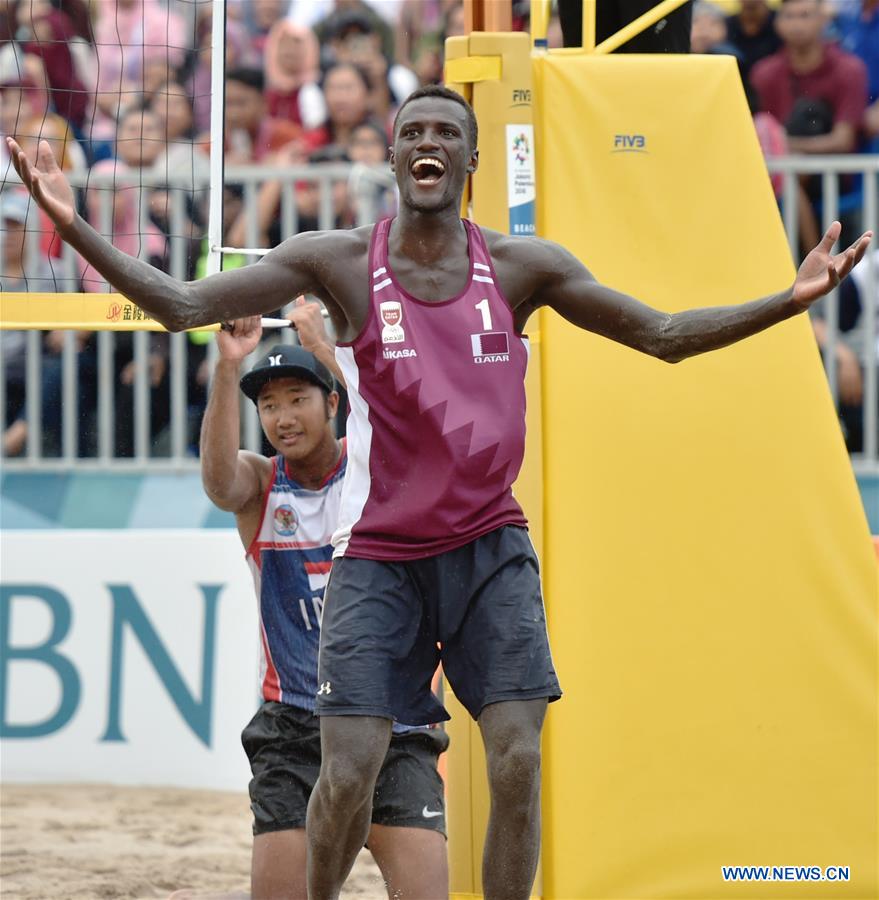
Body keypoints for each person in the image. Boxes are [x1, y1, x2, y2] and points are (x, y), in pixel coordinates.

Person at [6, 83, 872, 899]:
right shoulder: (337, 261)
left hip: (489, 545)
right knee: (344, 772)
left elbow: (664, 335)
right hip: (379, 558)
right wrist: (71, 222)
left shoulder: (522, 265)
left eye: (444, 134)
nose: (427, 143)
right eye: (413, 132)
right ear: (392, 159)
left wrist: (786, 301)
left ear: (471, 162)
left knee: (517, 761)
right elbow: (180, 303)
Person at [196, 302, 448, 898]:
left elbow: (409, 427)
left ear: (333, 403)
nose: (282, 416)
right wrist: (229, 368)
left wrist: (332, 350)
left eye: (297, 397)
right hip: (294, 725)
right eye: (269, 404)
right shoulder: (261, 485)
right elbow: (216, 482)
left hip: (396, 721)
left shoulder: (381, 473)